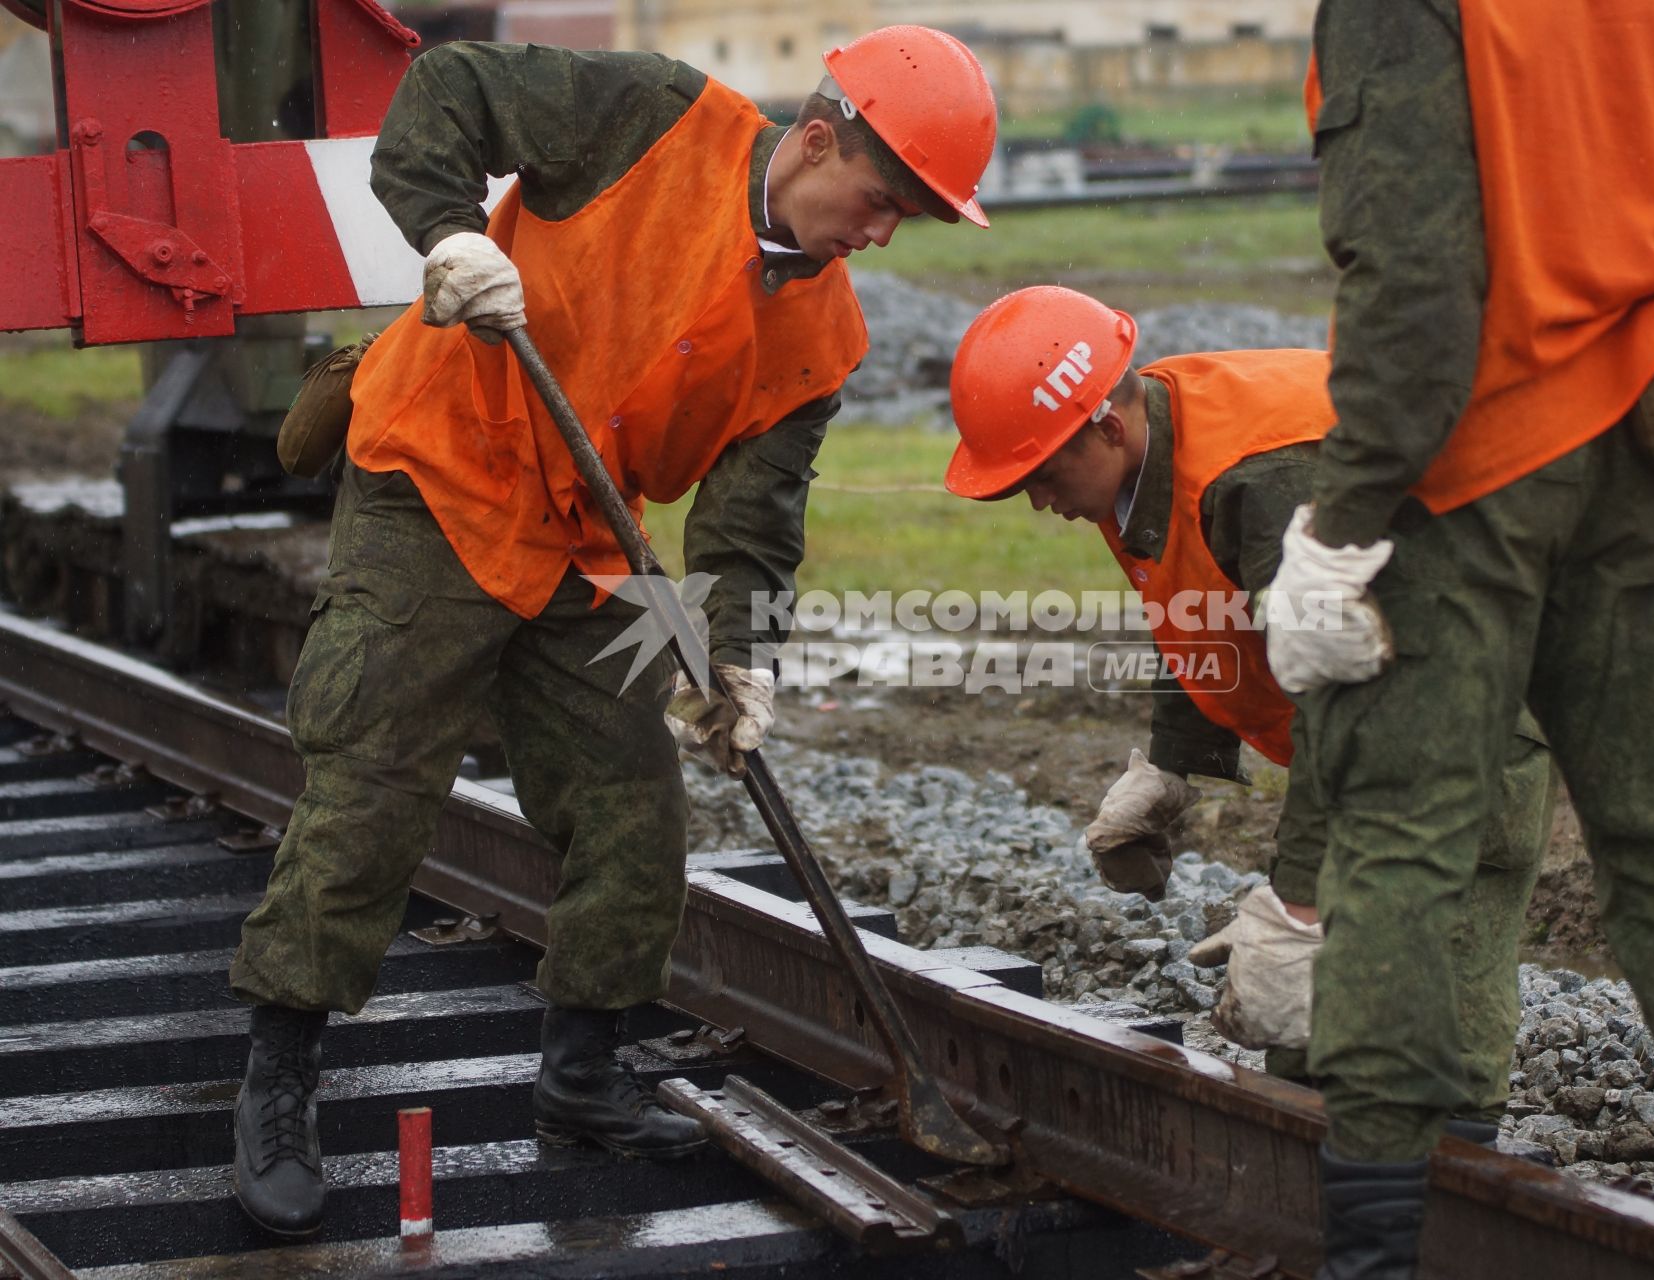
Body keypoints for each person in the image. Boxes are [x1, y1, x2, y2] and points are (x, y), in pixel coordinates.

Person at [225, 28, 998, 1237]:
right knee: (372, 782)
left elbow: (751, 523)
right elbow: (446, 87)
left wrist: (737, 651)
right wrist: (453, 233)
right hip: (437, 471)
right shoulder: (653, 114)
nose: (882, 233)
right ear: (813, 141)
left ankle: (580, 1080)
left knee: (638, 802)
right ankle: (279, 1078)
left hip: (588, 539)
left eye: (909, 219)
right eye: (882, 200)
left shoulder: (825, 336)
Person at [1267, 2, 1654, 1274]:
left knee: (1403, 842)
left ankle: (1377, 1250)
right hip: (1652, 452)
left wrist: (1344, 518)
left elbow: (1412, 270)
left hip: (1474, 468)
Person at [942, 285, 1553, 1126]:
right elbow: (1196, 595)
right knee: (1310, 1050)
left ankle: (1454, 1227)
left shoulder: (1266, 478)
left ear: (1106, 427)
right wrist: (1172, 763)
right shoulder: (1142, 450)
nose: (1040, 501)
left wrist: (1297, 906)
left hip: (1461, 731)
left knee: (1425, 1052)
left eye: (1041, 476)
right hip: (1364, 727)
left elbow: (1348, 700)